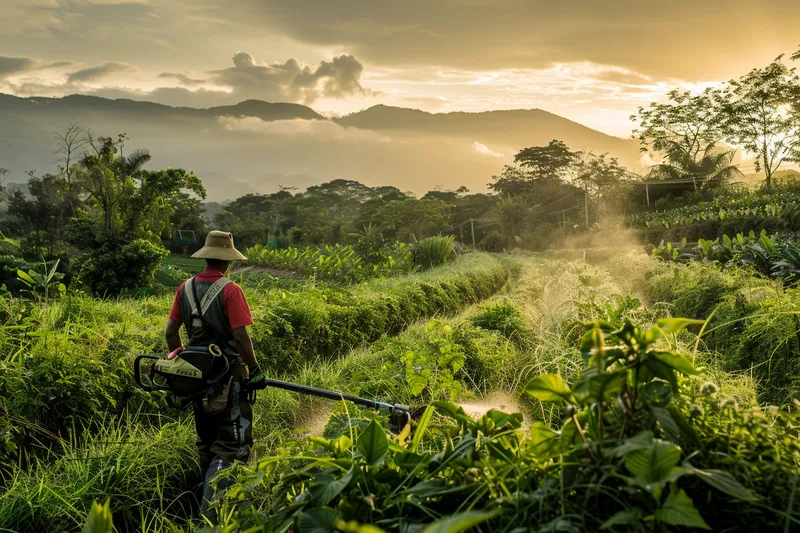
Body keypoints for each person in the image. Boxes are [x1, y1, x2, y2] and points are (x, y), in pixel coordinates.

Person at [164, 230, 266, 523]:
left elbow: (171, 333)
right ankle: (211, 518)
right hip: (228, 376)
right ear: (228, 261)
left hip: (197, 379)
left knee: (206, 442)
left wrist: (186, 365)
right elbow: (240, 336)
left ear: (206, 256)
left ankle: (199, 505)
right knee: (231, 444)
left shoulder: (184, 288)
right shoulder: (231, 290)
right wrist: (255, 370)